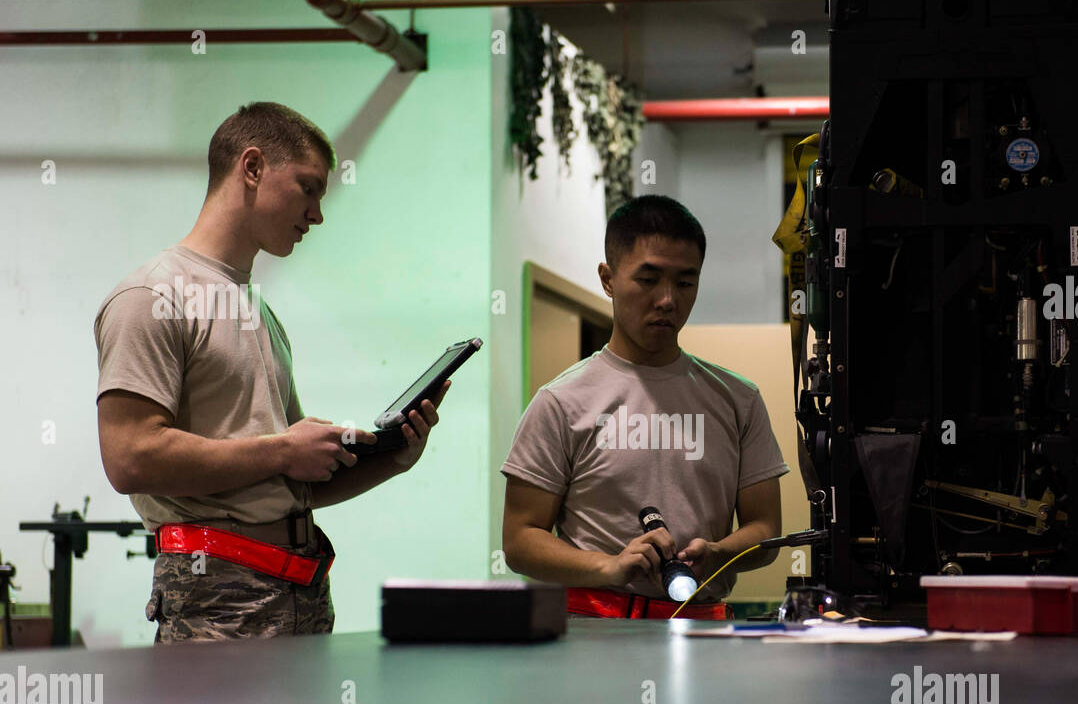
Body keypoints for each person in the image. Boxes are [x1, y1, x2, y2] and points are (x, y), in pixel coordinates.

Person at [95, 102, 448, 643]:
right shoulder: (152, 295)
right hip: (216, 596)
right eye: (308, 188)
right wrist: (284, 449)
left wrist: (392, 457)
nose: (317, 214)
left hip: (298, 588)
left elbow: (289, 478)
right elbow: (129, 458)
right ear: (253, 167)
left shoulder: (255, 308)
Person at [501, 195, 787, 620]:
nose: (668, 300)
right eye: (648, 279)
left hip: (702, 629)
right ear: (608, 278)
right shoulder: (560, 402)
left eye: (685, 283)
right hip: (594, 634)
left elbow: (765, 528)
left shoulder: (738, 399)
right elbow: (520, 540)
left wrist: (719, 553)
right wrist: (609, 566)